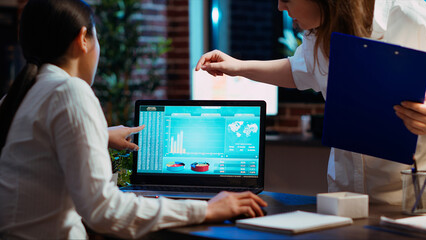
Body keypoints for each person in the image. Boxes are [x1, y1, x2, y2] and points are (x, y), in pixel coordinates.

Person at [0, 0, 267, 239]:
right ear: (83, 38)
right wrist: (206, 209)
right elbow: (103, 210)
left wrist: (100, 134)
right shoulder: (70, 91)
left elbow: (37, 153)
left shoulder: (19, 95)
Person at [196, 0, 426, 205]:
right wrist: (236, 66)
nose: (280, 7)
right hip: (344, 196)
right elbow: (298, 70)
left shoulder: (413, 17)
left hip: (407, 198)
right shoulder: (319, 32)